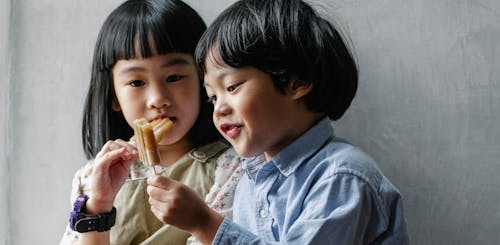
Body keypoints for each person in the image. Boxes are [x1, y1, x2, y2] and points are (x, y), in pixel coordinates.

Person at [146, 0, 410, 244]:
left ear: (297, 81)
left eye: (233, 86)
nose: (219, 109)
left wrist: (205, 223)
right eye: (212, 97)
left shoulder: (342, 178)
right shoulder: (249, 178)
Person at [59, 0, 241, 244]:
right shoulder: (91, 178)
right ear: (114, 96)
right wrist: (99, 206)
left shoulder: (232, 168)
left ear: (203, 81)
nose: (158, 99)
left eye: (174, 77)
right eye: (136, 82)